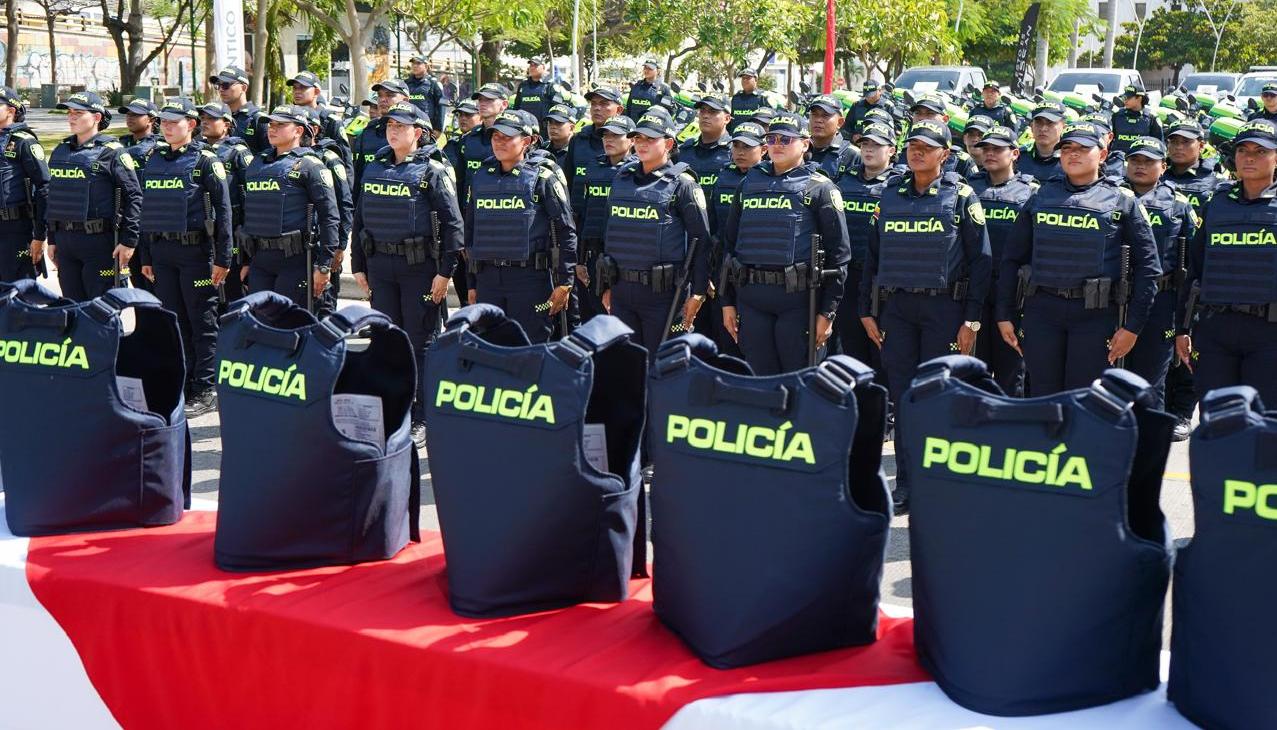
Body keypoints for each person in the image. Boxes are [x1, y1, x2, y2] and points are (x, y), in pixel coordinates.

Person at [859, 119, 990, 512]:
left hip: (944, 309)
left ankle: (941, 482)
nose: (916, 152)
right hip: (898, 309)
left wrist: (971, 320)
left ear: (945, 155)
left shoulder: (962, 196)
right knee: (904, 397)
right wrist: (867, 309)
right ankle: (906, 485)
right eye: (912, 145)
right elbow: (873, 257)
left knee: (938, 397)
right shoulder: (890, 195)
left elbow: (981, 263)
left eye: (926, 147)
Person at [996, 121, 1160, 396]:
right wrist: (1004, 314)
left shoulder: (1123, 200)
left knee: (1084, 399)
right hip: (1042, 312)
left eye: (1083, 148)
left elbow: (1148, 268)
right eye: (1067, 148)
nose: (1073, 154)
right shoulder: (1041, 196)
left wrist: (1132, 327)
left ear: (1103, 154)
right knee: (1042, 397)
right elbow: (1012, 258)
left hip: (1094, 317)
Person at [351, 102, 462, 447]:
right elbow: (360, 218)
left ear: (418, 132)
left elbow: (453, 225)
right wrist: (358, 265)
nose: (393, 130)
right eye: (389, 126)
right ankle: (394, 409)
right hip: (381, 266)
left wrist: (445, 274)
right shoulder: (374, 167)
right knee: (387, 340)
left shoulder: (433, 171)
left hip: (420, 270)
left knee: (421, 342)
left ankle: (424, 415)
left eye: (401, 126)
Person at [720, 111, 850, 375]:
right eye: (773, 138)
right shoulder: (748, 184)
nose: (777, 144)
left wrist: (828, 313)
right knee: (760, 379)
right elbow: (729, 245)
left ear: (804, 144)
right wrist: (726, 302)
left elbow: (840, 256)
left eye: (786, 139)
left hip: (798, 301)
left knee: (799, 381)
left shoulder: (820, 188)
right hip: (752, 297)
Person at [134, 99, 232, 416]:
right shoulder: (155, 159)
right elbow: (148, 211)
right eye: (163, 121)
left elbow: (225, 212)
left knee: (202, 322)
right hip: (162, 252)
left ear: (190, 125)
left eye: (174, 122)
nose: (166, 127)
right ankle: (183, 383)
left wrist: (224, 258)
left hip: (197, 253)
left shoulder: (205, 161)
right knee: (174, 323)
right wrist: (146, 254)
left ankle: (205, 388)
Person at [1176, 120, 1277, 405]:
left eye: (1260, 151)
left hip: (1270, 333)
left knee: (1264, 426)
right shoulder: (1217, 203)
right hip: (1216, 330)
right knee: (1217, 423)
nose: (1249, 157)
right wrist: (1183, 329)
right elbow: (1195, 269)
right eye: (1243, 150)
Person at [598, 108, 711, 356]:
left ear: (669, 143)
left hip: (665, 296)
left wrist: (699, 293)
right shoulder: (622, 178)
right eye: (638, 138)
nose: (642, 144)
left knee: (666, 366)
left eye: (650, 139)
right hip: (622, 290)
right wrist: (607, 286)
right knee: (628, 365)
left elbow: (701, 241)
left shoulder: (683, 184)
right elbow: (610, 231)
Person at [464, 109, 576, 343]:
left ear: (527, 141)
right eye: (496, 136)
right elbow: (471, 234)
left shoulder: (543, 177)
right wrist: (472, 283)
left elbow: (566, 230)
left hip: (530, 279)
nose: (500, 142)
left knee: (530, 348)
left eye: (507, 137)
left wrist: (565, 282)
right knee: (490, 348)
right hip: (489, 279)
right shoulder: (481, 176)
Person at [1119, 136, 1198, 411]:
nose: (1140, 166)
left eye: (1148, 161)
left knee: (1150, 381)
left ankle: (1149, 443)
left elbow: (1191, 262)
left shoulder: (1178, 205)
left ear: (1163, 166)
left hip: (1160, 302)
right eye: (1135, 160)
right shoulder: (1111, 197)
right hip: (1113, 299)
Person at [239, 104, 339, 310]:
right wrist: (246, 260)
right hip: (260, 259)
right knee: (260, 323)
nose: (272, 129)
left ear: (298, 130)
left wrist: (324, 265)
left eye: (280, 125)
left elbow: (329, 216)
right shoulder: (257, 163)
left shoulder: (310, 165)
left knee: (290, 324)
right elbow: (248, 212)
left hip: (294, 260)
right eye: (270, 124)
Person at [45, 92, 141, 301]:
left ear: (96, 118)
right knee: (73, 307)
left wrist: (129, 241)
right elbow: (53, 196)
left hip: (99, 243)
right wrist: (52, 238)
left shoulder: (113, 152)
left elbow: (134, 196)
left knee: (104, 310)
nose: (71, 117)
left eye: (78, 113)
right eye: (70, 113)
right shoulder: (61, 150)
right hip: (66, 242)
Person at [969, 125, 1037, 395]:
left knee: (1011, 371)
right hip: (974, 290)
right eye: (986, 148)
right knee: (974, 369)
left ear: (1015, 153)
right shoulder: (968, 189)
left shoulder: (1031, 192)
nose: (990, 153)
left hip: (1013, 292)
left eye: (998, 148)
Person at [831, 120, 895, 375]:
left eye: (877, 145)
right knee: (851, 347)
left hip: (883, 280)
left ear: (891, 150)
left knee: (883, 350)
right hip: (848, 275)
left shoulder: (899, 185)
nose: (868, 149)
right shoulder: (843, 181)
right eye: (865, 144)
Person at [576, 114, 637, 323]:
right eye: (606, 135)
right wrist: (580, 259)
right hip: (593, 252)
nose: (608, 140)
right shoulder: (594, 166)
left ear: (632, 140)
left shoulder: (638, 171)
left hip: (622, 258)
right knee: (590, 318)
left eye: (616, 135)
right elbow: (585, 213)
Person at [199, 101, 253, 302]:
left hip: (233, 227)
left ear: (227, 124)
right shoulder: (197, 149)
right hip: (204, 228)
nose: (205, 122)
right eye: (203, 118)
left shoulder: (237, 152)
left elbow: (250, 193)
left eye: (212, 118)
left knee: (233, 291)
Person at [305, 108, 355, 317]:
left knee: (324, 306)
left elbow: (344, 204)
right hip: (301, 248)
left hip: (325, 242)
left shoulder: (330, 159)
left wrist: (340, 246)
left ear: (314, 129)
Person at [0, 86, 48, 283]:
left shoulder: (25, 142)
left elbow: (45, 188)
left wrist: (40, 235)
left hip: (16, 229)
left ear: (11, 111)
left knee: (18, 294)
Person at [566, 86, 625, 214]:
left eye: (604, 104)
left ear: (619, 110)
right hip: (580, 220)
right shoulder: (577, 140)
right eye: (593, 104)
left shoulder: (629, 142)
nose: (597, 108)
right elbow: (568, 182)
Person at [353, 78, 410, 185]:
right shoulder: (368, 131)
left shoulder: (416, 131)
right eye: (380, 95)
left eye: (389, 95)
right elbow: (358, 174)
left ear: (405, 101)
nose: (383, 99)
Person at [908, 93, 978, 179]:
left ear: (945, 119)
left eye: (930, 113)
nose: (922, 118)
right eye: (918, 113)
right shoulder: (905, 152)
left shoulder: (961, 161)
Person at [287, 71, 351, 161]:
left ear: (316, 92)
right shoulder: (287, 119)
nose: (297, 92)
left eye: (303, 88)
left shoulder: (331, 121)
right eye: (295, 88)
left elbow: (346, 157)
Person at [678, 94, 732, 201]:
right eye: (702, 110)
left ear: (727, 119)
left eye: (713, 111)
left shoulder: (735, 152)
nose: (705, 115)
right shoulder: (684, 150)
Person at [209, 65, 268, 153]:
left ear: (243, 88)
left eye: (225, 85)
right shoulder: (217, 117)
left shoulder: (259, 119)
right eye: (218, 85)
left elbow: (270, 157)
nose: (221, 89)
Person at [807, 94, 856, 177]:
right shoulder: (799, 149)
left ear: (840, 122)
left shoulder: (852, 155)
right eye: (814, 114)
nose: (818, 120)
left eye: (825, 115)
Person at [1018, 101, 1066, 183]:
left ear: (1063, 127)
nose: (1043, 128)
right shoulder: (1017, 157)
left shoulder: (1071, 159)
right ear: (1032, 126)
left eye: (1050, 123)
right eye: (1039, 122)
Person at [1110, 84, 1163, 154]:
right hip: (1118, 159)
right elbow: (1110, 140)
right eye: (1124, 97)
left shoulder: (1151, 118)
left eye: (1128, 98)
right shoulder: (1117, 116)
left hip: (1141, 159)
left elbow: (1159, 144)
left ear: (1139, 98)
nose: (1125, 100)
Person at [513, 57, 561, 131]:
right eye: (531, 65)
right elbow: (516, 107)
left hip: (543, 129)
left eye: (535, 65)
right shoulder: (523, 85)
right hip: (524, 128)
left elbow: (558, 109)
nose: (532, 67)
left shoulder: (550, 86)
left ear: (543, 67)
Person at [404, 55, 445, 133]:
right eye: (413, 64)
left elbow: (441, 107)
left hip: (427, 126)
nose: (415, 66)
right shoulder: (406, 83)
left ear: (426, 66)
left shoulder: (434, 84)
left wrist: (439, 129)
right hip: (408, 125)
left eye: (418, 63)